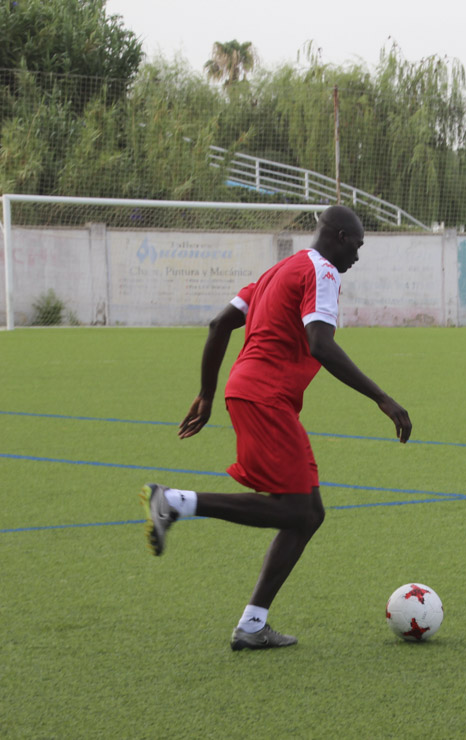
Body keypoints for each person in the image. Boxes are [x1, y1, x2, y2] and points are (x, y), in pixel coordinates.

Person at [140, 204, 413, 650]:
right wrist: (382, 398)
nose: (358, 258)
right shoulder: (323, 271)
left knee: (309, 514)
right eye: (358, 246)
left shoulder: (274, 274)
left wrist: (208, 394)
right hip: (265, 397)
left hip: (251, 393)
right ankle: (172, 503)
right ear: (340, 238)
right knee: (294, 511)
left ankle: (252, 625)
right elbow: (321, 344)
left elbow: (219, 324)